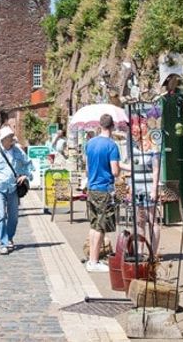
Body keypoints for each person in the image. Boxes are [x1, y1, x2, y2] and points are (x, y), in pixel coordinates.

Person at [0, 126, 33, 256]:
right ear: (3, 139)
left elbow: (28, 163)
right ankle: (3, 243)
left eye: (12, 136)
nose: (12, 139)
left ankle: (9, 238)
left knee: (13, 217)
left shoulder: (17, 151)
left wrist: (26, 175)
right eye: (9, 137)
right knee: (1, 216)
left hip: (13, 188)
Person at [84, 114, 120, 272]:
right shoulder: (112, 146)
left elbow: (87, 168)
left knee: (94, 225)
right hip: (104, 188)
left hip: (91, 187)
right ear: (112, 126)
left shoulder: (90, 143)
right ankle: (94, 261)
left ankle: (91, 259)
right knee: (101, 226)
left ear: (100, 125)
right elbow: (115, 171)